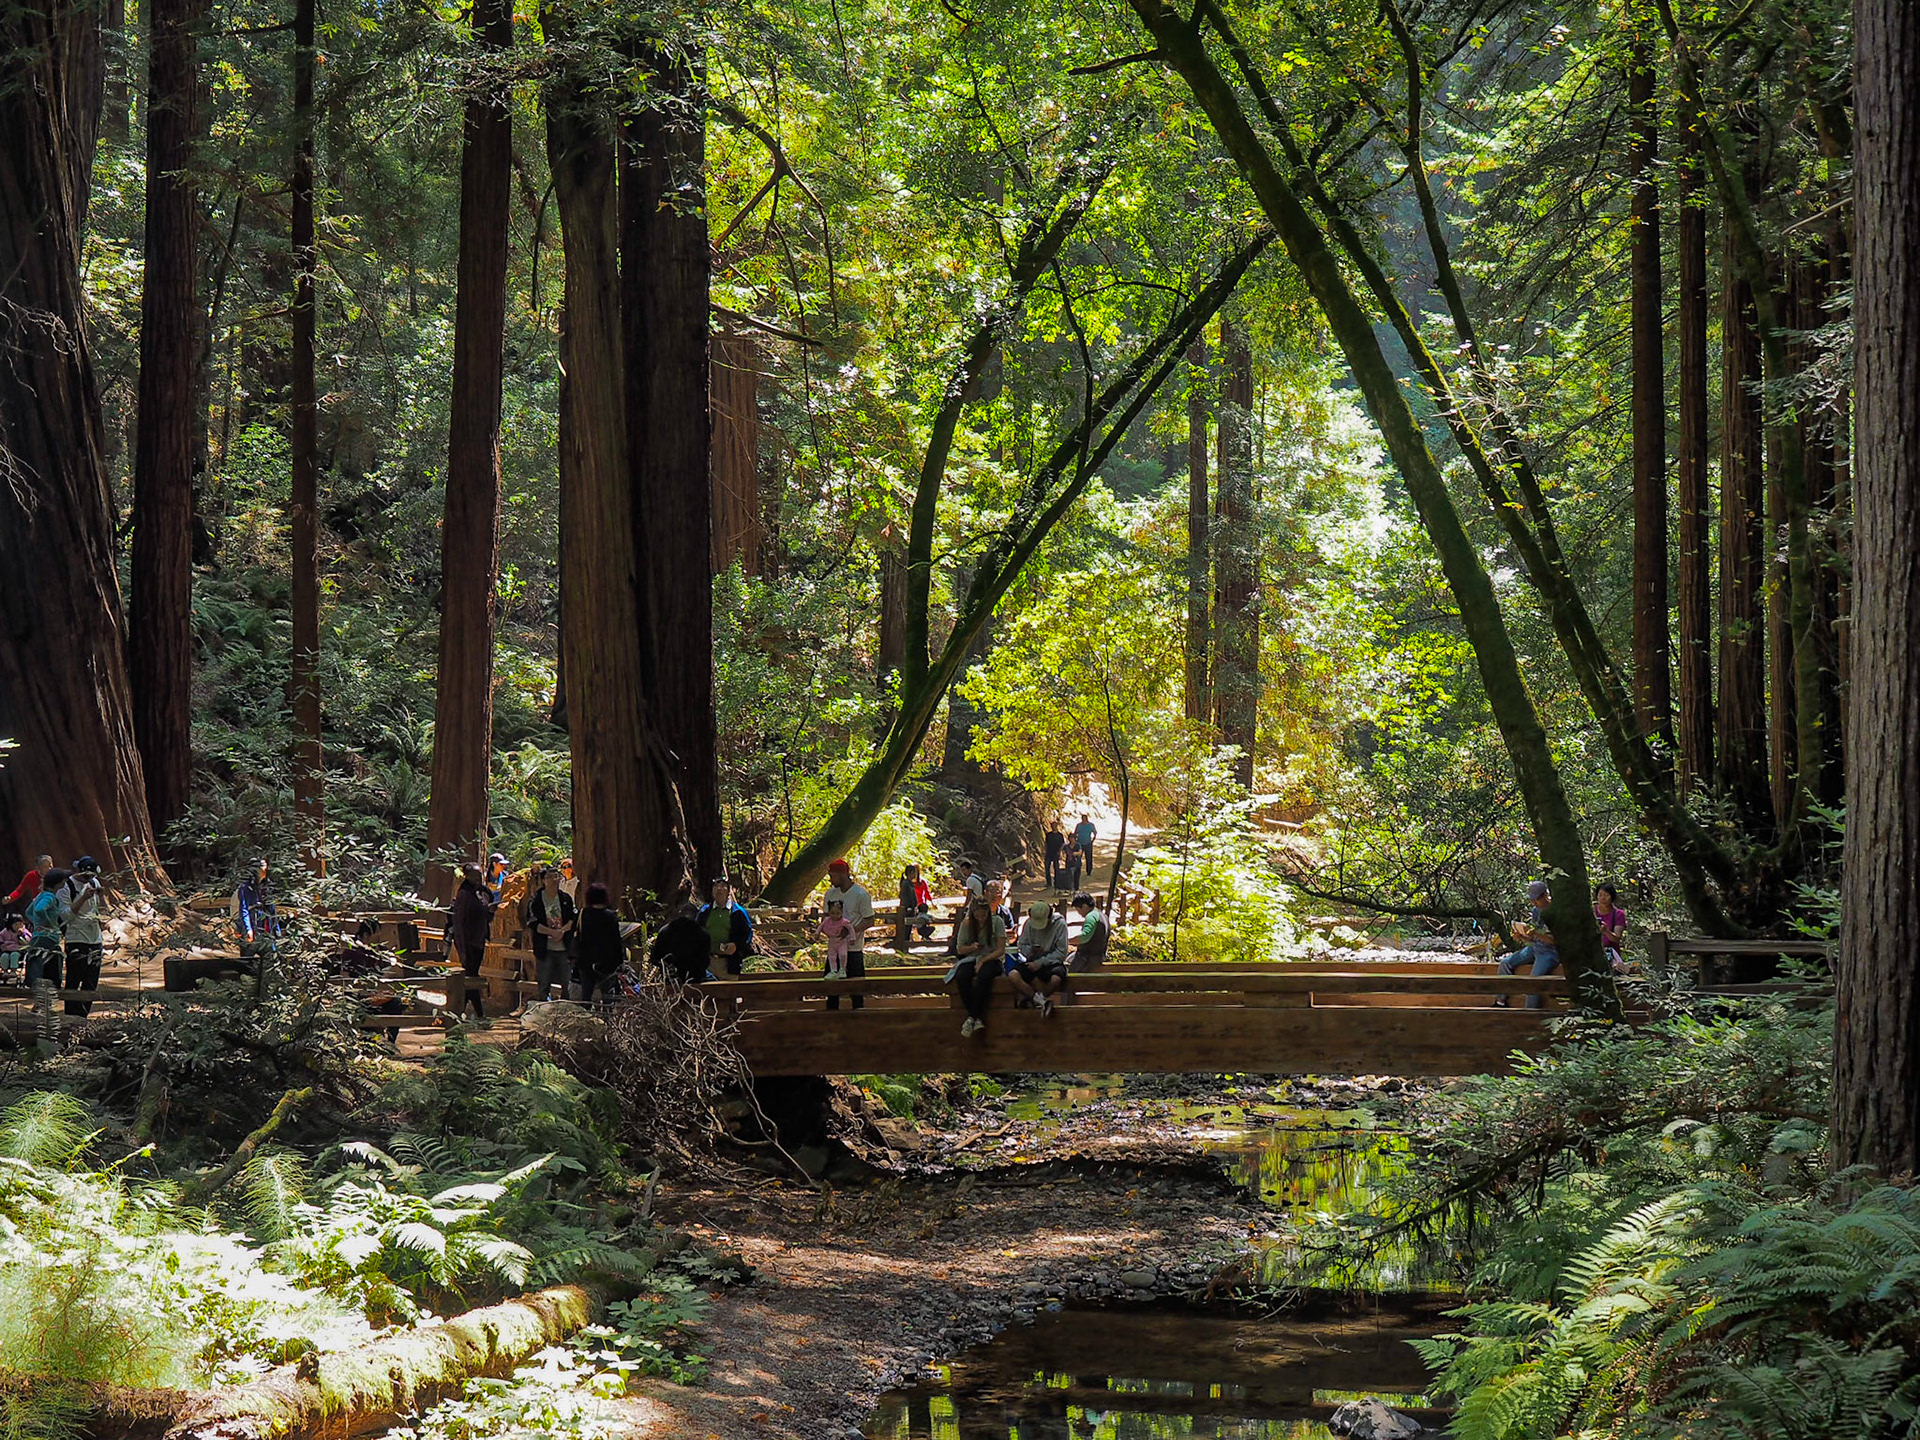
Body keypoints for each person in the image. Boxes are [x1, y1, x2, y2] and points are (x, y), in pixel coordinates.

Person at [1494, 880, 1560, 1009]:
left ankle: (1530, 1014)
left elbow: (1554, 941)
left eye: (1536, 900)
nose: (1534, 903)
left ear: (1545, 896)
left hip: (1550, 952)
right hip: (1535, 948)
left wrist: (1536, 934)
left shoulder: (1555, 911)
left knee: (1533, 982)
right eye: (1532, 900)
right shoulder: (1536, 911)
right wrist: (1522, 937)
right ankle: (1500, 1001)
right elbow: (1533, 940)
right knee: (1505, 963)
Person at [947, 894, 1007, 1037]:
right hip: (971, 957)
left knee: (984, 976)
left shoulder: (997, 922)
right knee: (962, 976)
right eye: (978, 916)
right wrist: (972, 948)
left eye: (983, 915)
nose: (981, 919)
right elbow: (960, 949)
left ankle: (972, 1017)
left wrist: (984, 960)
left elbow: (1000, 949)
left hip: (992, 958)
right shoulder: (967, 924)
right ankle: (975, 1017)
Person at [822, 859, 874, 1011]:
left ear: (842, 874)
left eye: (832, 876)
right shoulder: (830, 894)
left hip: (853, 950)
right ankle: (831, 1022)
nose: (830, 880)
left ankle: (858, 1022)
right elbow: (826, 916)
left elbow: (869, 920)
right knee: (831, 990)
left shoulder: (861, 895)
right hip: (835, 949)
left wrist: (851, 931)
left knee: (856, 991)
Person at [449, 863, 497, 1020]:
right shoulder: (464, 894)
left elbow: (486, 916)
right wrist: (461, 949)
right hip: (467, 942)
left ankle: (458, 1012)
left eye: (479, 874)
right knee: (471, 978)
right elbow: (459, 922)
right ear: (467, 876)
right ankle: (477, 1014)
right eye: (474, 875)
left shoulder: (482, 892)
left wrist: (490, 911)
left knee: (472, 976)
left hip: (479, 940)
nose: (477, 878)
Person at [1006, 901, 1071, 1015]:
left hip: (1052, 962)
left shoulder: (1059, 924)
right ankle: (1041, 1001)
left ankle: (1035, 1000)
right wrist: (1031, 950)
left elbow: (1061, 952)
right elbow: (1022, 944)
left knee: (1056, 979)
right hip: (1032, 960)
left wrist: (1040, 962)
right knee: (1013, 975)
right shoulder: (1029, 924)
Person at [60, 857, 105, 1017]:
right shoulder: (66, 887)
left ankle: (82, 1018)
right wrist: (83, 898)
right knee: (74, 980)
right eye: (86, 875)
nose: (89, 879)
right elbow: (66, 916)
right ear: (78, 870)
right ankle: (70, 1018)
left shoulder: (94, 882)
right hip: (76, 939)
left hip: (95, 939)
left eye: (91, 875)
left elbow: (95, 907)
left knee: (91, 984)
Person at [527, 866, 578, 1001]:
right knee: (544, 984)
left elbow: (574, 918)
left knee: (567, 984)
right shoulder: (536, 900)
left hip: (564, 948)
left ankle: (565, 1011)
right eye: (550, 877)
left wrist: (562, 931)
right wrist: (551, 932)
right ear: (544, 880)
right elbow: (532, 922)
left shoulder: (566, 898)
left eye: (557, 876)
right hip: (545, 948)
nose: (554, 880)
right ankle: (545, 1010)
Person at [573, 882, 625, 1004]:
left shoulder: (583, 914)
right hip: (607, 964)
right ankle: (607, 1020)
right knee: (608, 998)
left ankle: (585, 1019)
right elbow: (616, 941)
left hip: (586, 962)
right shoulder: (610, 916)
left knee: (586, 996)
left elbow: (577, 936)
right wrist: (619, 962)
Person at [653, 890, 713, 984]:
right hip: (696, 981)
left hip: (672, 980)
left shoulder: (665, 931)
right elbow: (705, 962)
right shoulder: (703, 934)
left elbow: (655, 958)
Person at [698, 877, 755, 977]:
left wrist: (736, 945)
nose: (719, 889)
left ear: (729, 891)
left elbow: (747, 934)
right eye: (716, 886)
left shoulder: (738, 912)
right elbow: (696, 932)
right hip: (708, 963)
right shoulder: (705, 911)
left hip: (729, 963)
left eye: (723, 886)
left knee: (729, 991)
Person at [23, 870, 68, 992]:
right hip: (48, 938)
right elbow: (39, 909)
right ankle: (43, 1005)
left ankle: (40, 1005)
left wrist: (37, 924)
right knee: (50, 973)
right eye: (63, 880)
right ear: (57, 883)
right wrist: (48, 923)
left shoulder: (40, 895)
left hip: (37, 937)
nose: (65, 882)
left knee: (39, 971)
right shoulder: (50, 897)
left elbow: (28, 912)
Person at [236, 858, 280, 960]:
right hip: (253, 929)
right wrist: (248, 929)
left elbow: (272, 910)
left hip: (266, 932)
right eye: (262, 868)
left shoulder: (267, 886)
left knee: (271, 961)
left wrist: (276, 931)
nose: (265, 870)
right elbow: (244, 908)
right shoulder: (245, 888)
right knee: (247, 963)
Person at [1068, 891, 1110, 971]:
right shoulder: (1101, 914)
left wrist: (1067, 941)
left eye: (1078, 910)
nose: (1078, 913)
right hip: (1100, 955)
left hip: (1088, 959)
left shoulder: (1091, 916)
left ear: (1084, 906)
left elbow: (1084, 937)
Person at [3, 854, 52, 920]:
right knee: (29, 913)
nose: (49, 869)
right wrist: (10, 897)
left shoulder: (55, 875)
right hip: (38, 903)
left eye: (50, 866)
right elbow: (19, 890)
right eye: (45, 866)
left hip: (53, 903)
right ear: (38, 867)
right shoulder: (31, 876)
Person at [897, 864, 935, 946]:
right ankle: (904, 945)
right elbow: (903, 896)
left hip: (912, 908)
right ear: (910, 873)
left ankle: (907, 945)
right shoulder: (906, 883)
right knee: (906, 929)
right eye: (914, 873)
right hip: (908, 909)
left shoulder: (909, 883)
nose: (915, 875)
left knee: (909, 928)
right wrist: (908, 906)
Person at [1594, 884, 1629, 973]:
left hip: (1611, 954)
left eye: (1606, 895)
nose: (1603, 898)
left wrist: (1606, 931)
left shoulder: (1618, 914)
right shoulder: (1592, 912)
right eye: (1600, 895)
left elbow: (1616, 938)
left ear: (1612, 897)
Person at [819, 898, 853, 979]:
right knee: (832, 956)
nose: (835, 915)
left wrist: (853, 938)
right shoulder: (827, 921)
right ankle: (833, 970)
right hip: (832, 941)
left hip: (841, 941)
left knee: (843, 954)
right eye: (832, 913)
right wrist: (817, 933)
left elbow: (850, 929)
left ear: (841, 913)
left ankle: (842, 969)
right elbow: (821, 926)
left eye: (838, 913)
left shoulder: (844, 922)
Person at [0, 914, 28, 978]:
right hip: (6, 949)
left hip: (18, 950)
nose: (18, 926)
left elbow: (27, 941)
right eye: (16, 924)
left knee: (14, 955)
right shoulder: (5, 931)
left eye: (20, 924)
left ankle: (13, 970)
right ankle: (5, 971)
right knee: (4, 956)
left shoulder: (24, 931)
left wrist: (21, 936)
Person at [1043, 820, 1067, 889]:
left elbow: (1062, 844)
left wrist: (1060, 852)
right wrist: (1045, 851)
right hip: (1049, 853)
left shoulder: (1060, 835)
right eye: (1052, 826)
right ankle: (1048, 882)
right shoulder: (1048, 835)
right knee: (1047, 868)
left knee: (1056, 868)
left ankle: (1057, 882)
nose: (1054, 827)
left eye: (1055, 825)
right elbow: (1046, 844)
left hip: (1056, 854)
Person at [1073, 814, 1097, 879]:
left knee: (1088, 858)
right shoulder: (1079, 825)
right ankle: (1077, 870)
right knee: (1078, 858)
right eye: (1082, 818)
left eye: (1084, 818)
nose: (1083, 820)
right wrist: (1075, 841)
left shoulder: (1090, 825)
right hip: (1079, 843)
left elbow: (1095, 833)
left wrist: (1092, 840)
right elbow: (1075, 833)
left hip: (1088, 843)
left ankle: (1089, 871)